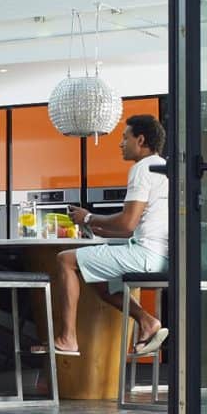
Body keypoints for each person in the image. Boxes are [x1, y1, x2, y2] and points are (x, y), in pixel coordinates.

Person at [45, 114, 171, 356]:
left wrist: (89, 218)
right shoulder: (162, 167)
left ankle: (68, 338)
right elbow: (134, 223)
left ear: (141, 139)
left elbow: (126, 224)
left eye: (125, 138)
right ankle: (146, 321)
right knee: (98, 280)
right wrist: (95, 226)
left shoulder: (142, 169)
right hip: (161, 256)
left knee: (65, 260)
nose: (120, 144)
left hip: (145, 254)